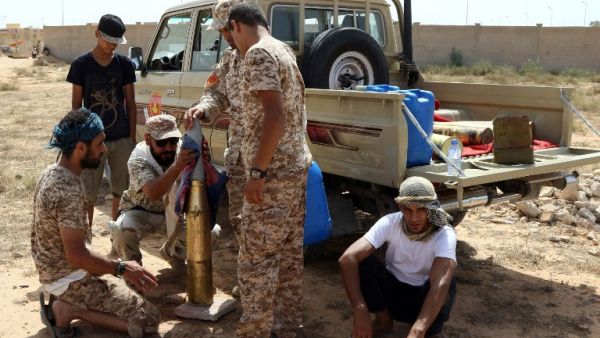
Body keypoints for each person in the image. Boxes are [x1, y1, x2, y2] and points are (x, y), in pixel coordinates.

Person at [32, 108, 160, 338]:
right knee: (149, 321)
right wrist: (121, 268)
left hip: (59, 272)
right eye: (99, 143)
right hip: (70, 277)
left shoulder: (54, 172)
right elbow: (77, 256)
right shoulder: (66, 190)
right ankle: (70, 308)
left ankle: (61, 301)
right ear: (81, 147)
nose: (103, 150)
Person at [227, 3, 312, 337]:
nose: (233, 44)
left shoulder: (259, 55)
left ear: (236, 25)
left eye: (231, 35)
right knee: (289, 259)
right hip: (294, 170)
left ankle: (255, 332)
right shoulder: (284, 50)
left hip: (273, 176)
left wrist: (257, 173)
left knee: (256, 264)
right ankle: (287, 327)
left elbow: (274, 116)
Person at [338, 176, 457, 338]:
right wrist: (360, 310)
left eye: (420, 209)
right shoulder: (390, 222)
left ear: (431, 208)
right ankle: (384, 322)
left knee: (446, 281)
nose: (414, 218)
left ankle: (430, 330)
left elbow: (439, 285)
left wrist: (418, 330)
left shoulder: (444, 233)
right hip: (393, 297)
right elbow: (347, 259)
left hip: (422, 301)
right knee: (362, 263)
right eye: (408, 209)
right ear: (400, 206)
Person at [67, 14, 137, 227]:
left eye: (116, 41)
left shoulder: (124, 64)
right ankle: (86, 240)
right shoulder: (81, 64)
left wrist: (131, 139)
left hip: (121, 138)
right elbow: (76, 106)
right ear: (97, 34)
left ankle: (117, 239)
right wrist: (81, 141)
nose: (112, 45)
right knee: (88, 194)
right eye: (109, 40)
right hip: (92, 142)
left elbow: (131, 103)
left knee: (121, 193)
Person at [184, 0, 246, 243]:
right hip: (240, 157)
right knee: (240, 220)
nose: (225, 36)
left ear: (237, 25)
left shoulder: (268, 55)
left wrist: (261, 170)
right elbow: (216, 93)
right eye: (221, 31)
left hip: (269, 161)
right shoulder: (230, 60)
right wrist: (202, 108)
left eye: (226, 30)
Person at [111, 114, 196, 266]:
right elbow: (154, 193)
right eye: (162, 142)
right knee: (121, 230)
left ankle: (174, 253)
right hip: (141, 212)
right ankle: (133, 271)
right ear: (148, 139)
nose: (169, 147)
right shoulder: (138, 158)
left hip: (173, 213)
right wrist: (178, 166)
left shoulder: (182, 151)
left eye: (173, 141)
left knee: (210, 231)